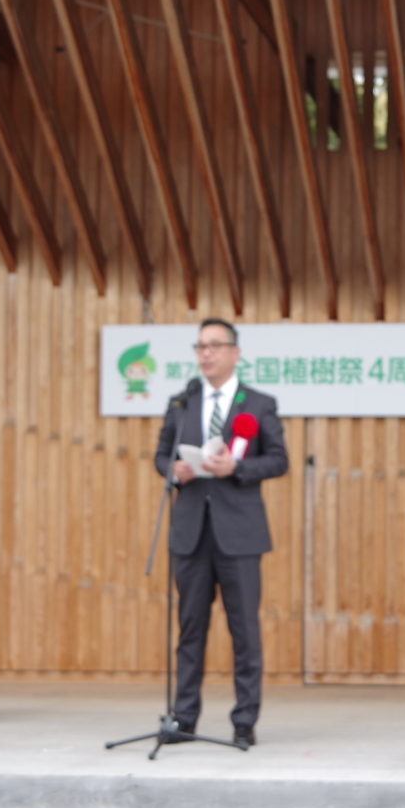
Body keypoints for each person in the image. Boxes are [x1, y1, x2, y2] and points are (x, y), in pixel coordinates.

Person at [154, 317, 287, 746]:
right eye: (200, 346)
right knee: (190, 630)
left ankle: (244, 721)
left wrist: (238, 467)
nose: (206, 353)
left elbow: (278, 460)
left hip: (240, 534)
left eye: (214, 345)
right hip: (191, 531)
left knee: (244, 631)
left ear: (235, 353)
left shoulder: (258, 404)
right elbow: (161, 455)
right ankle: (184, 718)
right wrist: (173, 470)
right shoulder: (183, 402)